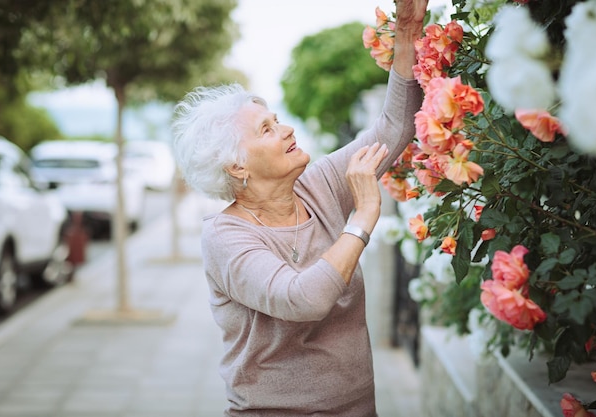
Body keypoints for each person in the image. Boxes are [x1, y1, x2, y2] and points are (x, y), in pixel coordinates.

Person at [171, 0, 428, 415]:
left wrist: (406, 31)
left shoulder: (319, 184)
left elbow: (394, 128)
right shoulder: (226, 237)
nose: (286, 128)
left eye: (278, 119)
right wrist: (361, 219)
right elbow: (301, 300)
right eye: (267, 129)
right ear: (238, 165)